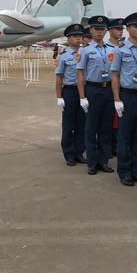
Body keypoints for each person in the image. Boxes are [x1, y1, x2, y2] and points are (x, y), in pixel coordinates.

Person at [111, 12, 137, 187]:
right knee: (125, 136)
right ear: (128, 28)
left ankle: (136, 170)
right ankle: (125, 171)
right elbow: (115, 75)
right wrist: (117, 99)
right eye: (136, 26)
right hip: (127, 95)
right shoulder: (120, 50)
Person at [76, 15, 115, 175]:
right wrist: (82, 96)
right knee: (91, 127)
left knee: (106, 127)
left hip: (109, 90)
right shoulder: (85, 50)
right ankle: (92, 162)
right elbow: (80, 74)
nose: (100, 32)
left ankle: (103, 161)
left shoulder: (112, 49)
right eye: (96, 29)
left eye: (102, 29)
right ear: (91, 30)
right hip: (93, 89)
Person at [54, 24, 87, 166]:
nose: (78, 39)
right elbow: (59, 78)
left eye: (80, 36)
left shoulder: (85, 53)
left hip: (84, 91)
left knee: (82, 123)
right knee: (68, 124)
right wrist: (59, 97)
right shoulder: (63, 56)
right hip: (70, 91)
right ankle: (69, 154)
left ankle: (79, 152)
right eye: (75, 36)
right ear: (68, 38)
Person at [107, 18, 125, 157]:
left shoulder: (124, 48)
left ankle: (118, 146)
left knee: (120, 119)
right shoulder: (105, 48)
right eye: (117, 29)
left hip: (123, 88)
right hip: (107, 86)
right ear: (110, 30)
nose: (120, 32)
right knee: (108, 119)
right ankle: (109, 147)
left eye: (121, 29)